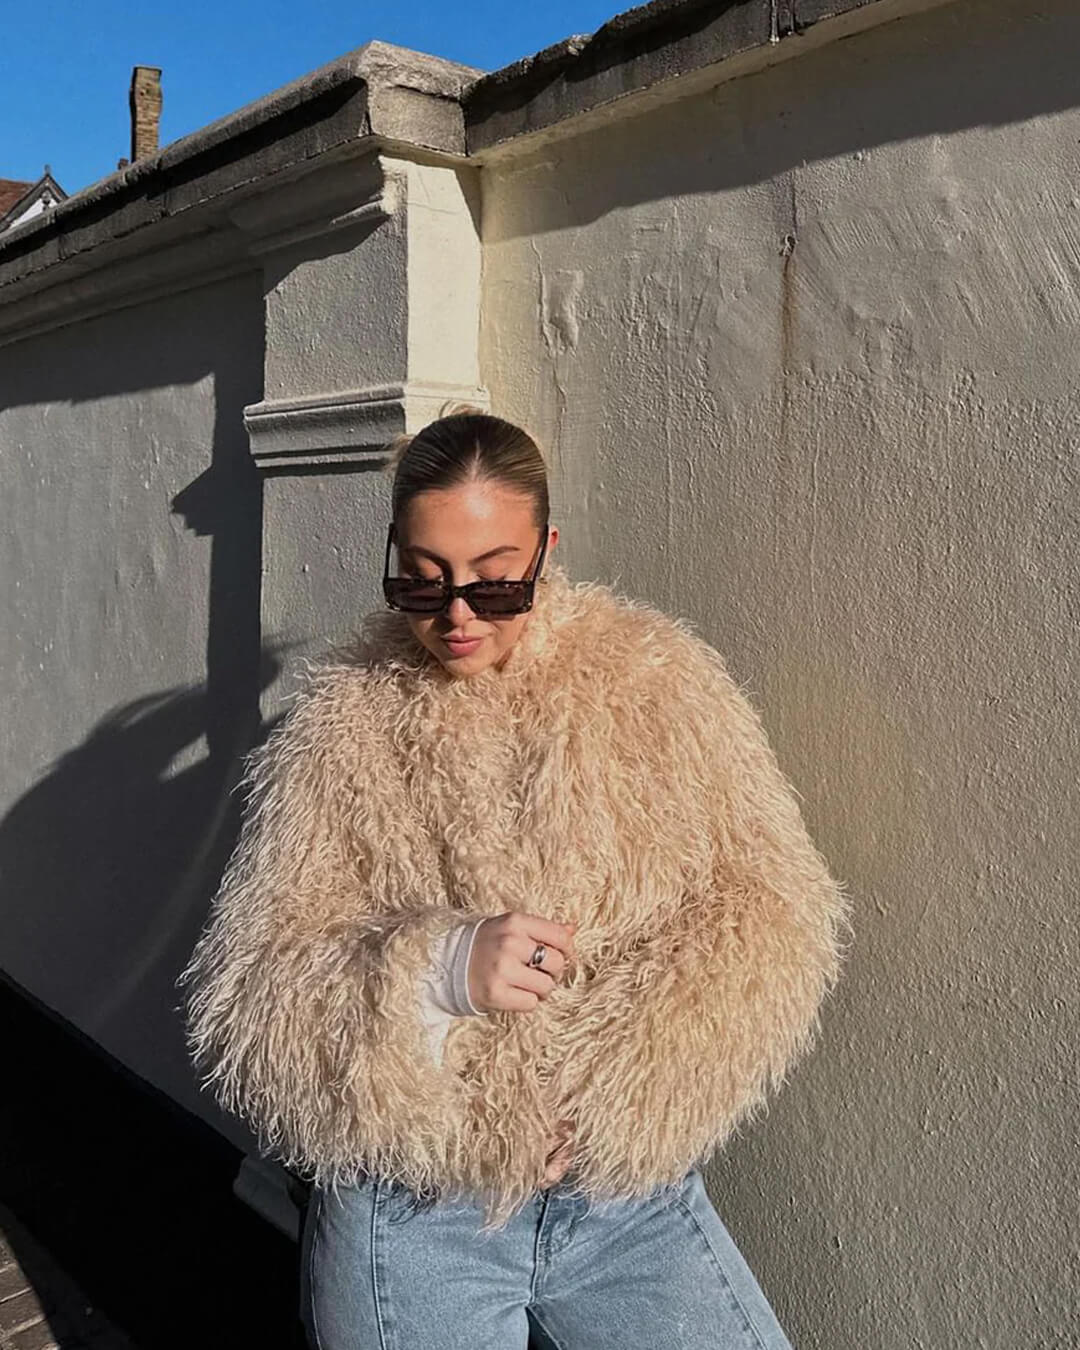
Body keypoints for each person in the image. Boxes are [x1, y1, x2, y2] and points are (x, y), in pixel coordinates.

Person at [175, 406, 852, 1349]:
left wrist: (621, 1087)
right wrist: (437, 970)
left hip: (622, 1196)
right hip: (415, 1209)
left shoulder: (654, 684)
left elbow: (771, 906)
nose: (457, 614)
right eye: (422, 582)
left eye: (496, 583)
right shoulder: (340, 727)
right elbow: (252, 985)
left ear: (546, 551)